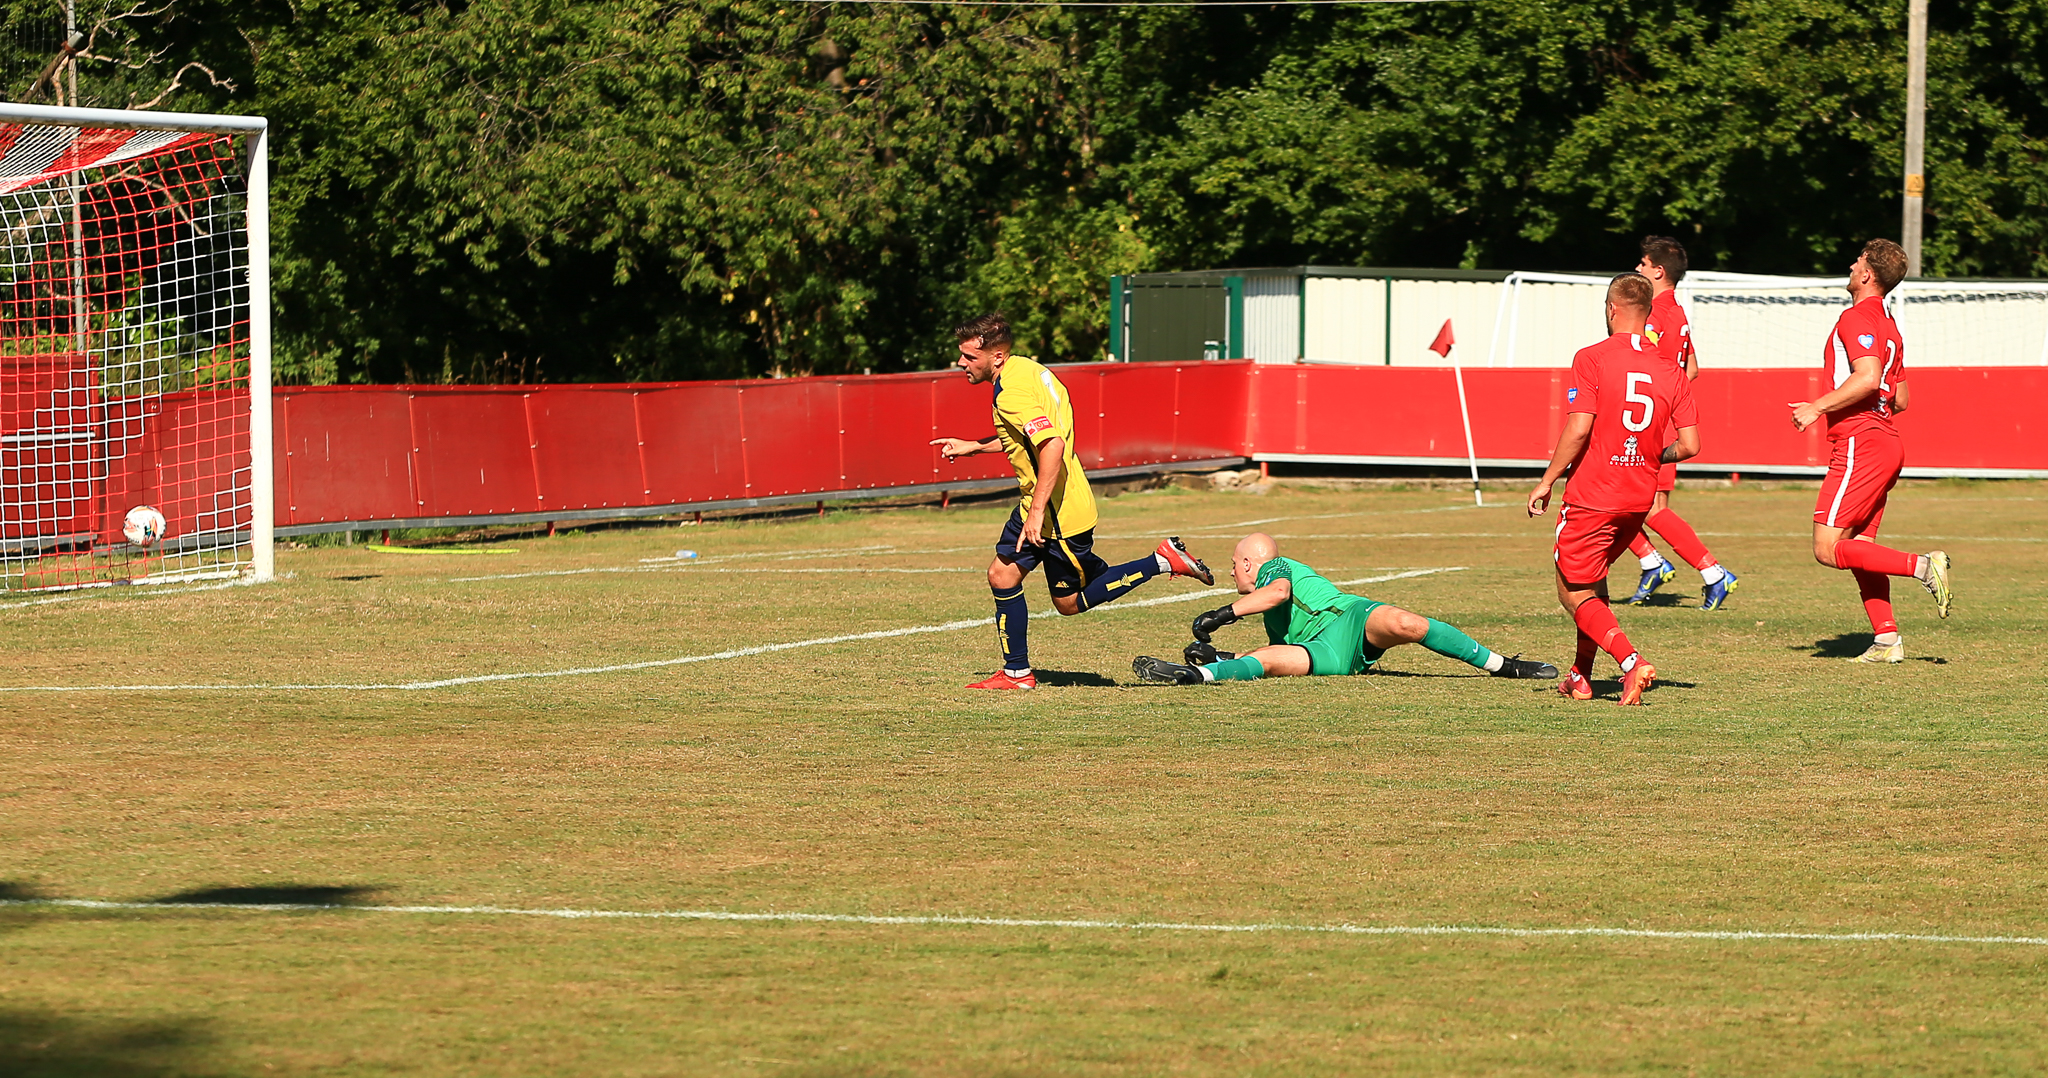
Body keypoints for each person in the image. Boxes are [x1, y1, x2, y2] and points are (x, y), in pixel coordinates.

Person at [930, 313, 1214, 691]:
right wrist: (975, 447)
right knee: (1002, 575)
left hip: (1057, 512)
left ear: (996, 356)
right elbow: (1029, 434)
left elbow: (1051, 443)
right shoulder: (1028, 370)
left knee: (1069, 603)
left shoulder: (1010, 393)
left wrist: (1036, 513)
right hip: (1046, 502)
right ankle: (1017, 673)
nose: (961, 363)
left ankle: (1161, 561)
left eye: (969, 357)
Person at [1527, 273, 1701, 705]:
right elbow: (1690, 445)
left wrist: (1547, 480)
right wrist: (1651, 456)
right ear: (1648, 312)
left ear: (1611, 309)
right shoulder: (1671, 369)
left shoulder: (1592, 357)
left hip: (1594, 493)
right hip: (1638, 497)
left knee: (1572, 591)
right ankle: (1580, 676)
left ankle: (1630, 661)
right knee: (1594, 583)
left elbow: (1578, 427)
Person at [1788, 239, 1953, 663]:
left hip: (1861, 442)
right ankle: (1886, 640)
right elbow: (1901, 399)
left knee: (1827, 548)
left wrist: (1817, 407)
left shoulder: (1856, 317)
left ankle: (1923, 566)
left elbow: (1867, 377)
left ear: (1867, 275)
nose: (1850, 265)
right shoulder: (1890, 326)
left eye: (1857, 261)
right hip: (1886, 442)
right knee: (1861, 547)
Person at [1129, 532, 1557, 685]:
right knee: (1271, 661)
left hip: (1350, 619)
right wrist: (1224, 655)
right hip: (1325, 651)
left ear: (1246, 564)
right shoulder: (1267, 597)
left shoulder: (1275, 566)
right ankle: (1196, 676)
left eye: (1232, 565)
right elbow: (1275, 650)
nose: (1231, 572)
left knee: (1406, 622)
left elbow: (1277, 594)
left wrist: (1223, 614)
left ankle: (1503, 666)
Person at [1624, 236, 1740, 609]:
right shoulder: (1677, 314)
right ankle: (1655, 563)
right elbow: (1691, 369)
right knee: (1639, 504)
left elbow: (1639, 365)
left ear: (1658, 271)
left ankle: (1709, 572)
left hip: (1647, 423)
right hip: (1662, 419)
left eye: (1643, 264)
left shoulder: (1654, 314)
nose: (1637, 269)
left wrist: (1646, 405)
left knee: (1635, 504)